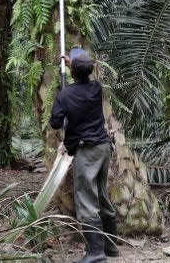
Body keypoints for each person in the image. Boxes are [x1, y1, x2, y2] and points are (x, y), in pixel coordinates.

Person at [49, 47, 119, 263]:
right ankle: (111, 247)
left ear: (72, 72)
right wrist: (74, 65)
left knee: (86, 199)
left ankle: (96, 254)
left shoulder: (65, 95)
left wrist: (63, 102)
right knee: (101, 192)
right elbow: (86, 72)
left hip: (86, 151)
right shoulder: (96, 88)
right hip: (104, 147)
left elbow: (55, 123)